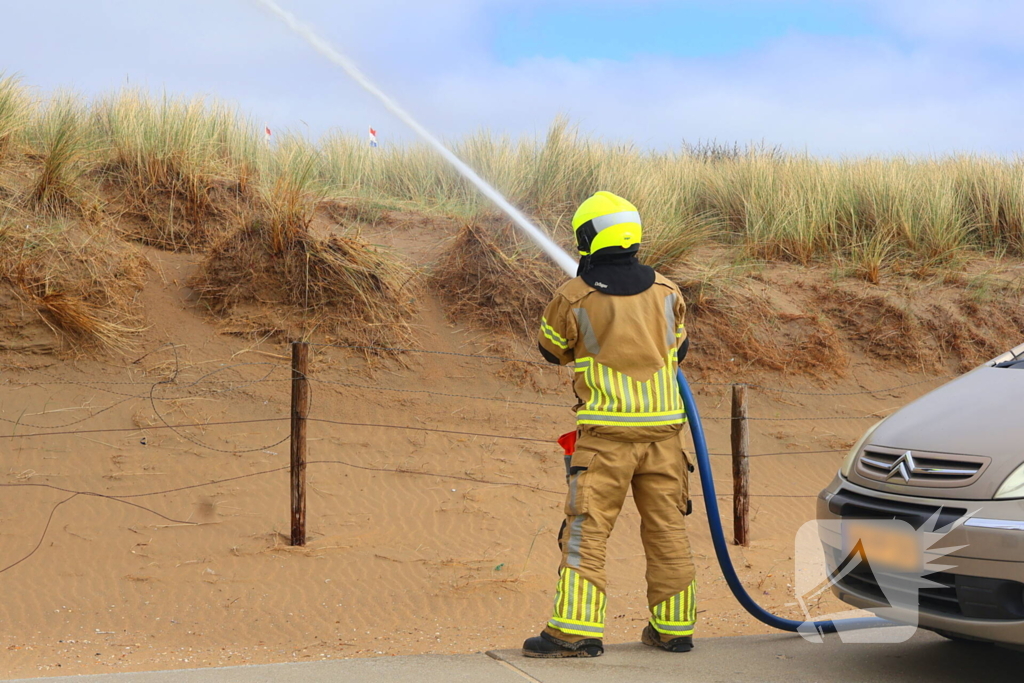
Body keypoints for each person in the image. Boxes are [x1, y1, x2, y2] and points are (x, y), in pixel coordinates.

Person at [522, 191, 696, 658]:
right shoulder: (667, 291)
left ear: (586, 237)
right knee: (667, 530)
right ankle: (674, 629)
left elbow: (550, 347)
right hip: (665, 439)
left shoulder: (574, 296)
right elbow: (679, 350)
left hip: (605, 442)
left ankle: (574, 632)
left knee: (587, 529)